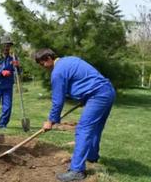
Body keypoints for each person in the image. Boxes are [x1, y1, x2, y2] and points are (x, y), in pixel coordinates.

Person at [34, 48, 116, 182]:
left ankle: (77, 171)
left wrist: (51, 120)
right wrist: (85, 97)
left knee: (83, 129)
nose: (42, 67)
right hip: (107, 91)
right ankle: (92, 156)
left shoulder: (57, 72)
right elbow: (86, 78)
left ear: (48, 58)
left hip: (98, 95)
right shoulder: (69, 60)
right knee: (95, 128)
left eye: (42, 63)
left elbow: (57, 101)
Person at [0, 36, 19, 129]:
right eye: (5, 45)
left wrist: (17, 66)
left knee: (7, 106)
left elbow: (18, 72)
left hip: (8, 86)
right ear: (0, 46)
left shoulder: (13, 58)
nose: (6, 48)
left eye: (8, 46)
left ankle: (3, 124)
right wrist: (1, 72)